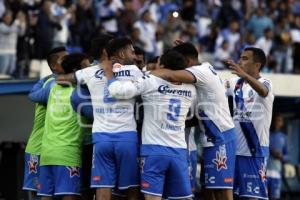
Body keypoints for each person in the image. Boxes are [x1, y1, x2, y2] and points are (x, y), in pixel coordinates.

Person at [57, 37, 143, 200]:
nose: (134, 56)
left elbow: (61, 79)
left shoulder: (88, 72)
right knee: (132, 187)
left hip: (101, 137)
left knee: (103, 185)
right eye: (131, 52)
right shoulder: (134, 71)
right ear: (120, 53)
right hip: (127, 136)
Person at [103, 49, 196, 200]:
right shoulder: (191, 88)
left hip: (153, 150)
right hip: (179, 150)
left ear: (163, 66)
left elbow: (118, 92)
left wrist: (109, 73)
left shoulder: (150, 80)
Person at [151, 42, 237, 200]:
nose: (180, 67)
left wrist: (149, 74)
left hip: (221, 135)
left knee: (223, 190)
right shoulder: (205, 66)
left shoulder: (199, 71)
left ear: (188, 61)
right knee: (212, 189)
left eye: (181, 61)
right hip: (213, 136)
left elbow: (170, 75)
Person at [29, 53, 90, 200]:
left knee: (46, 196)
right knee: (69, 196)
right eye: (86, 67)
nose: (90, 69)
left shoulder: (52, 86)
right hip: (68, 153)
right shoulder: (82, 92)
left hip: (47, 153)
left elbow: (33, 95)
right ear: (77, 70)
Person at [226, 47, 274, 200]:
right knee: (231, 194)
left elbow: (263, 91)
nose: (240, 61)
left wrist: (245, 75)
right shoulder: (235, 82)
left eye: (245, 58)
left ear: (257, 65)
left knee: (252, 197)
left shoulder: (265, 82)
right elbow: (212, 83)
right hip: (235, 151)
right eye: (240, 57)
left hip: (255, 150)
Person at [22, 47, 67, 200]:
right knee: (39, 194)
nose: (68, 61)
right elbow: (33, 95)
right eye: (64, 59)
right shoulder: (52, 84)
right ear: (54, 66)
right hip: (39, 148)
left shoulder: (50, 81)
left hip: (52, 148)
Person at [267, 113, 288, 200]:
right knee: (263, 197)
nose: (277, 122)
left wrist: (281, 156)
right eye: (275, 120)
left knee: (275, 197)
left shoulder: (284, 137)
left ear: (282, 123)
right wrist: (270, 151)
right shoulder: (267, 134)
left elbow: (287, 156)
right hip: (265, 171)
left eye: (279, 120)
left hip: (277, 173)